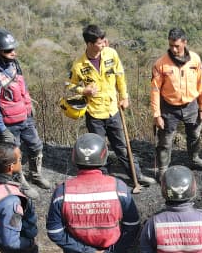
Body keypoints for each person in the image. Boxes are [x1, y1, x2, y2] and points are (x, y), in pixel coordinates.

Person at [46, 133, 141, 253]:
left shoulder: (62, 192)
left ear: (74, 157)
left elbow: (55, 232)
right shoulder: (118, 187)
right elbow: (132, 226)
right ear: (104, 156)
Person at [66, 24, 155, 186]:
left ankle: (137, 176)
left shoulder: (111, 54)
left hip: (113, 110)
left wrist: (124, 96)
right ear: (89, 44)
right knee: (99, 148)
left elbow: (120, 76)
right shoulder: (79, 64)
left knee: (122, 146)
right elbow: (70, 86)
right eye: (100, 42)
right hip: (94, 114)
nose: (104, 44)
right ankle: (104, 179)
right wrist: (83, 90)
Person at [0, 28, 53, 194]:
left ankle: (36, 174)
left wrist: (28, 105)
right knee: (13, 156)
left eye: (13, 49)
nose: (13, 52)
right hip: (9, 124)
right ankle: (21, 183)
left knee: (36, 146)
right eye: (8, 50)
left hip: (24, 118)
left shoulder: (13, 65)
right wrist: (2, 130)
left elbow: (22, 87)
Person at [150, 28, 202, 178]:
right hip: (169, 107)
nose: (173, 48)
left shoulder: (195, 60)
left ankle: (194, 159)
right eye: (171, 45)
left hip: (191, 105)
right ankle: (163, 169)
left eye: (177, 45)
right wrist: (156, 115)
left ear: (185, 42)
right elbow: (155, 90)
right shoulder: (161, 64)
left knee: (194, 135)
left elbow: (201, 84)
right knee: (165, 140)